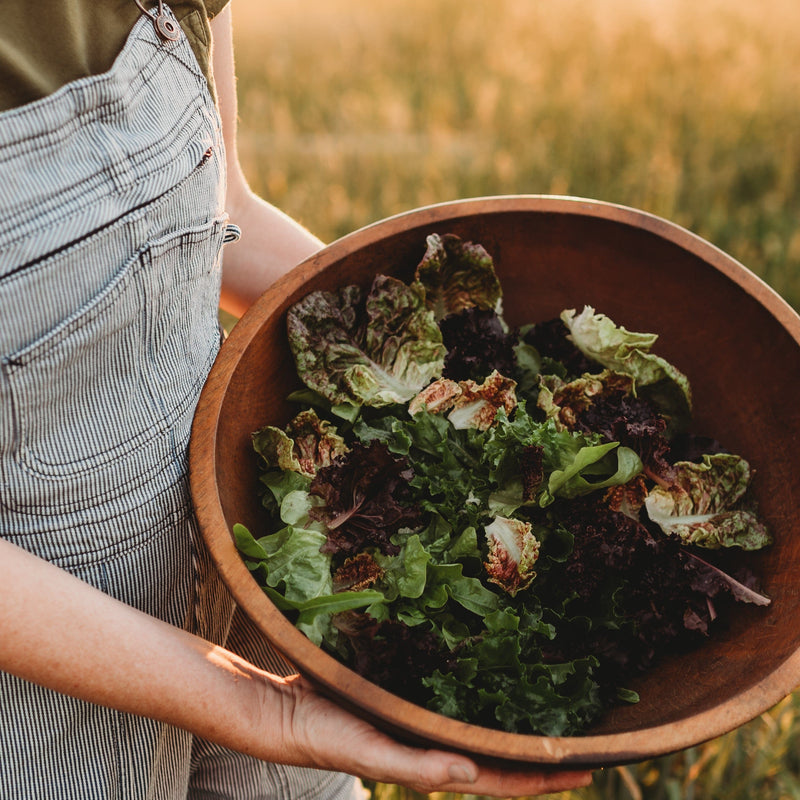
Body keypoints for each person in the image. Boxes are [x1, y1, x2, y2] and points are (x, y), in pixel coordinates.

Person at [0, 2, 594, 798]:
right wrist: (259, 712)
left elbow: (226, 212)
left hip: (263, 564)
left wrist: (441, 371)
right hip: (54, 664)